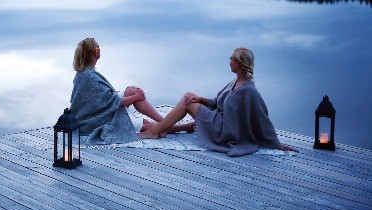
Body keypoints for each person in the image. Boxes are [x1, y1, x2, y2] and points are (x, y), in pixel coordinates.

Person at [139, 47, 298, 156]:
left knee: (187, 102)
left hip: (223, 130)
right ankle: (161, 129)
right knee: (189, 96)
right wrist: (200, 98)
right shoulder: (235, 82)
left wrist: (275, 143)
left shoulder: (249, 91)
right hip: (218, 119)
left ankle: (155, 131)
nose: (229, 62)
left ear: (240, 64)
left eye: (232, 60)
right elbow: (217, 102)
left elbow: (262, 116)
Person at [70, 37, 194, 145]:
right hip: (95, 121)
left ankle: (164, 121)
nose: (100, 50)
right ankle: (179, 127)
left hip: (98, 114)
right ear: (94, 53)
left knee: (131, 90)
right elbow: (108, 102)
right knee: (145, 125)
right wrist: (136, 98)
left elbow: (101, 98)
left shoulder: (86, 73)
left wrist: (134, 95)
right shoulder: (88, 76)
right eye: (98, 48)